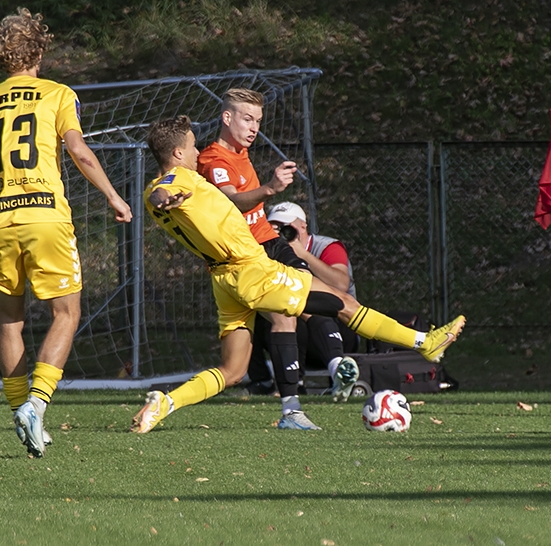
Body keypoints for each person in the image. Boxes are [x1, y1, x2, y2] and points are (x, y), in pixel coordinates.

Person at [129, 115, 465, 434]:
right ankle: (425, 343)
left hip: (223, 279)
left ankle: (165, 403)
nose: (197, 152)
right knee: (343, 303)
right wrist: (166, 197)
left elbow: (158, 195)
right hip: (252, 270)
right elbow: (166, 190)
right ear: (177, 153)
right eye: (191, 146)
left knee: (233, 371)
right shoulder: (177, 180)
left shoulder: (147, 193)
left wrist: (160, 199)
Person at [0, 8, 133, 457]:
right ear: (39, 51)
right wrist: (113, 196)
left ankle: (22, 412)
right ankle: (36, 405)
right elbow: (78, 150)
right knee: (66, 314)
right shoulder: (57, 94)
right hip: (45, 214)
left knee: (9, 319)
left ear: (1, 57)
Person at [195, 87, 353, 428]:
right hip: (246, 258)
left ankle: (326, 377)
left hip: (267, 244)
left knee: (306, 304)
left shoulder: (241, 152)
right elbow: (232, 201)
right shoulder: (213, 159)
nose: (254, 128)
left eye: (258, 121)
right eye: (247, 119)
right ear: (227, 117)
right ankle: (306, 396)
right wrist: (270, 188)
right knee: (244, 359)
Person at [257, 201, 361, 397]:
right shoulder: (270, 252)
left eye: (287, 228)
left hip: (339, 326)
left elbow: (341, 284)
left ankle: (338, 369)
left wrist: (302, 255)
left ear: (303, 227)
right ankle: (266, 383)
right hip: (297, 331)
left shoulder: (327, 246)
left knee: (303, 310)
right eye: (275, 227)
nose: (281, 233)